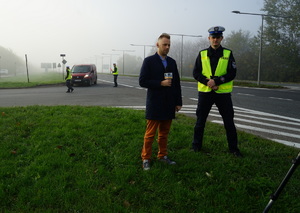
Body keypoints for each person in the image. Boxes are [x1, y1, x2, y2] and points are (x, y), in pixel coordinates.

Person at [192, 26, 242, 157]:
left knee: (229, 122)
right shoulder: (202, 54)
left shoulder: (228, 53)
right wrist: (207, 82)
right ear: (209, 38)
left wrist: (217, 81)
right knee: (200, 121)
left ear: (221, 38)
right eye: (213, 37)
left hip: (223, 94)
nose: (215, 40)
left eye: (218, 37)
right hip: (205, 93)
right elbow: (196, 73)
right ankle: (196, 147)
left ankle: (234, 149)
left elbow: (232, 73)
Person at [139, 33, 183, 170]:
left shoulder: (172, 62)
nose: (167, 47)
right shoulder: (149, 61)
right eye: (165, 44)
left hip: (169, 103)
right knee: (150, 134)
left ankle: (162, 155)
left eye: (169, 45)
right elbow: (142, 81)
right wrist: (160, 83)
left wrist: (178, 101)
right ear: (157, 44)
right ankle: (146, 158)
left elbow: (176, 83)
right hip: (155, 103)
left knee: (164, 134)